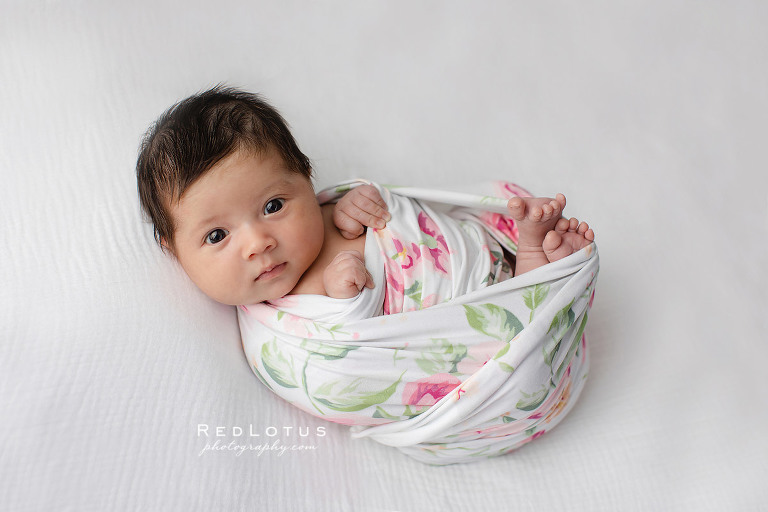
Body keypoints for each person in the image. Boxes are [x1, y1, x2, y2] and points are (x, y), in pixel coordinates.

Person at [136, 86, 594, 307]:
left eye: (273, 206)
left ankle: (529, 253)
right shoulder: (283, 319)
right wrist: (345, 298)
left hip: (475, 262)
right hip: (461, 325)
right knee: (515, 317)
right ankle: (538, 273)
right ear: (172, 250)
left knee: (512, 282)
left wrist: (361, 204)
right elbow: (336, 360)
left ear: (307, 181)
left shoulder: (327, 215)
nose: (258, 243)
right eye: (217, 235)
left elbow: (389, 210)